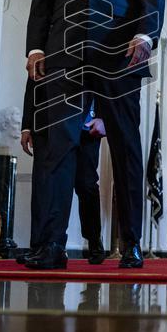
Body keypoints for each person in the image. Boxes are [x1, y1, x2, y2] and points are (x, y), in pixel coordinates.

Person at [24, 0, 165, 269]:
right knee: (58, 148)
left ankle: (133, 242)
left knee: (124, 147)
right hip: (63, 54)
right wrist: (34, 46)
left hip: (119, 53)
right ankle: (50, 246)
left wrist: (146, 36)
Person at [19, 80, 106, 266]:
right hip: (50, 123)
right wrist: (27, 125)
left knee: (86, 183)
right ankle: (39, 246)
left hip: (86, 125)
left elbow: (104, 81)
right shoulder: (41, 51)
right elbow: (33, 83)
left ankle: (94, 241)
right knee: (44, 183)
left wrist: (103, 117)